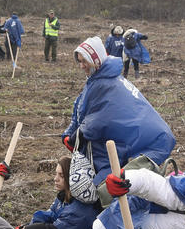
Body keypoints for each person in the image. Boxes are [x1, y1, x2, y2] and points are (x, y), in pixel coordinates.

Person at [62, 37, 175, 201]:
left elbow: (99, 119)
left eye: (85, 61)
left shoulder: (105, 84)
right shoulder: (104, 78)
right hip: (143, 138)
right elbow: (82, 108)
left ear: (96, 59)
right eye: (79, 62)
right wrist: (70, 132)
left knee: (108, 190)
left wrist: (75, 138)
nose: (82, 66)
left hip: (145, 142)